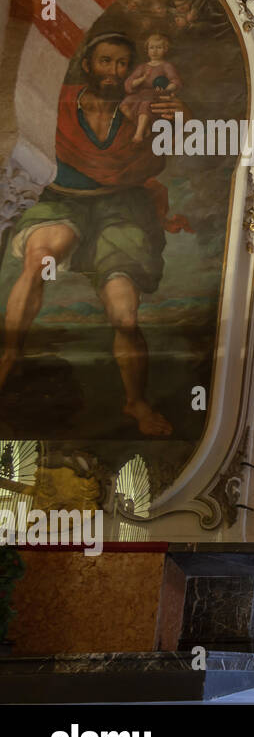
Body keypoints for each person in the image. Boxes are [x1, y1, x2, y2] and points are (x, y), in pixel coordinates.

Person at [0, 31, 190, 436]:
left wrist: (180, 116)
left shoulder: (143, 108)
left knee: (124, 311)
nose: (114, 70)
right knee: (40, 258)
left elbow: (179, 141)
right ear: (88, 65)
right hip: (64, 199)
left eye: (123, 63)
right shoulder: (58, 101)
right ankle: (8, 357)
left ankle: (135, 402)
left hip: (120, 205)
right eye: (106, 61)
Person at [123, 33, 182, 143]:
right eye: (152, 48)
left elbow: (175, 81)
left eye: (159, 47)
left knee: (145, 103)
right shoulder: (143, 67)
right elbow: (130, 83)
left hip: (157, 95)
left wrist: (167, 89)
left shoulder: (166, 66)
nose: (155, 51)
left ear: (165, 49)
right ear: (147, 49)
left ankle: (139, 134)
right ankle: (144, 126)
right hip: (141, 94)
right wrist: (142, 79)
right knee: (124, 105)